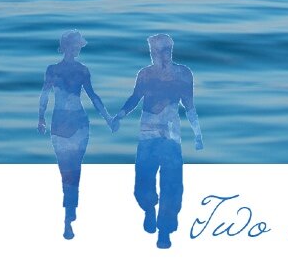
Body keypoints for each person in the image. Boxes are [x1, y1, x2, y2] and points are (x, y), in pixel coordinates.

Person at [114, 33, 202, 249]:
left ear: (170, 51)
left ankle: (165, 230)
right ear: (151, 52)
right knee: (142, 182)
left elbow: (189, 106)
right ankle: (149, 209)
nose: (158, 55)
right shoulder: (145, 75)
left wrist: (197, 133)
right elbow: (135, 98)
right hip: (147, 135)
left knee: (172, 185)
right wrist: (119, 116)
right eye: (154, 51)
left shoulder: (183, 74)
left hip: (172, 137)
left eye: (163, 50)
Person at [37, 30, 115, 240]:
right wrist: (41, 117)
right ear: (69, 47)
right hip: (71, 123)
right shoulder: (66, 70)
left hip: (69, 122)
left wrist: (108, 118)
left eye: (79, 46)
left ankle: (69, 212)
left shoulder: (65, 70)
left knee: (70, 169)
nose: (78, 48)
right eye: (76, 45)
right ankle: (69, 211)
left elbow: (91, 96)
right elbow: (46, 95)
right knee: (69, 169)